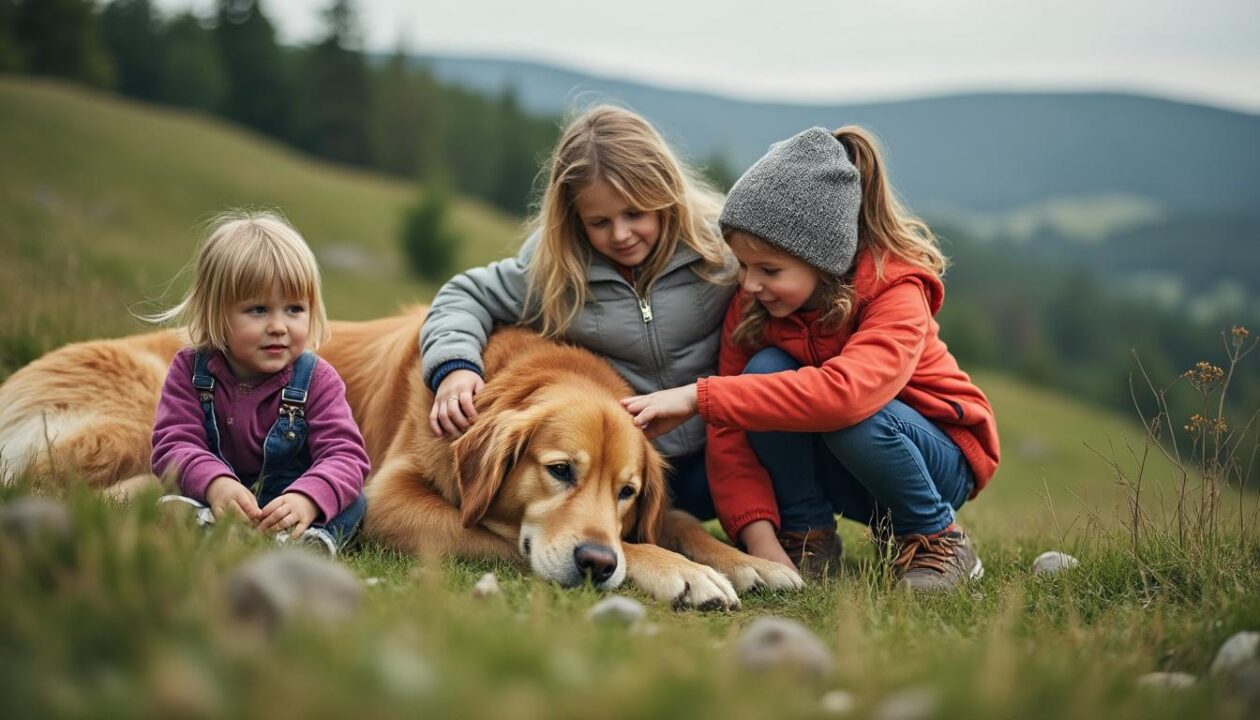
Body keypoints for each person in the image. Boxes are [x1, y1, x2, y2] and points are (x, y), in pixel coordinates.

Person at [622, 127, 1001, 591]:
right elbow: (731, 431)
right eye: (743, 266)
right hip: (849, 464)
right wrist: (760, 540)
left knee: (846, 415)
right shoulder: (754, 306)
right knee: (763, 374)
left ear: (823, 261)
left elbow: (846, 397)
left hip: (939, 461)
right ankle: (807, 535)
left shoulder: (896, 290)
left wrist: (697, 397)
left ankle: (936, 535)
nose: (749, 284)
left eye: (769, 270)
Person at [421, 105, 736, 519]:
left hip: (726, 451)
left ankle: (799, 528)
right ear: (574, 218)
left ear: (665, 195)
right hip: (630, 469)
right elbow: (465, 295)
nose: (621, 234)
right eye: (599, 222)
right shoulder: (556, 273)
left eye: (634, 214)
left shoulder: (717, 250)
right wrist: (455, 367)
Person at [149, 211, 370, 556]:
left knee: (354, 501)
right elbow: (173, 443)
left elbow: (346, 455)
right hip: (218, 498)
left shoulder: (317, 379)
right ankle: (207, 523)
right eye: (258, 310)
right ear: (216, 311)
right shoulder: (190, 371)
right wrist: (214, 483)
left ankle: (308, 542)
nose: (279, 326)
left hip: (289, 506)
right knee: (172, 493)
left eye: (294, 309)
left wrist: (307, 498)